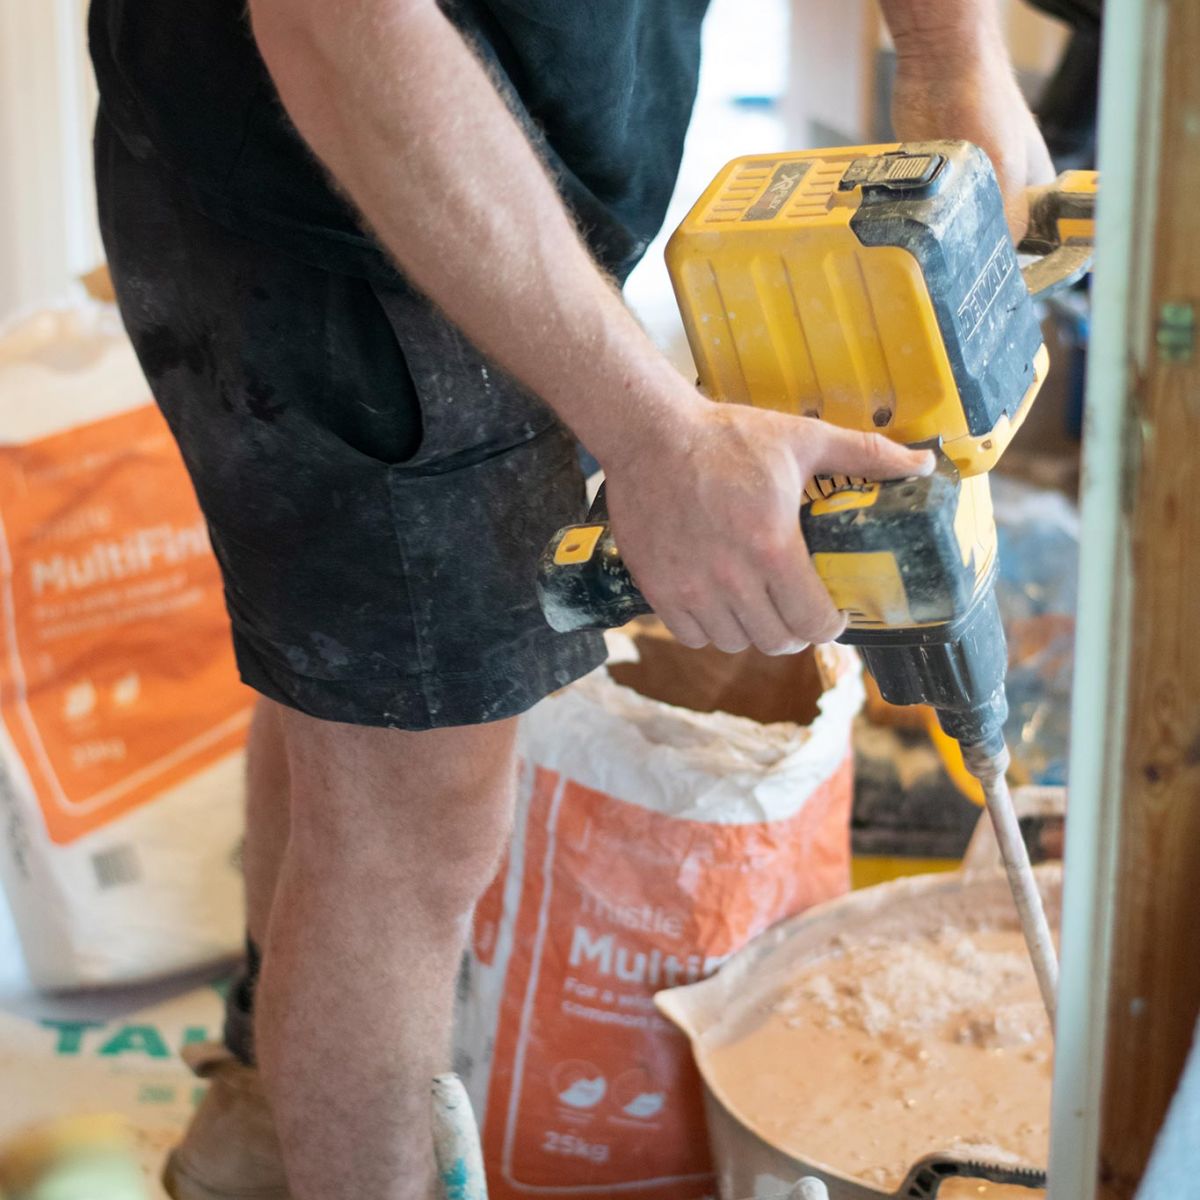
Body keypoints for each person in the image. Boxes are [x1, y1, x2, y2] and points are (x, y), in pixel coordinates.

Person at [87, 2, 1054, 1197]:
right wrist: (654, 435)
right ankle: (311, 1144)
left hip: (485, 147)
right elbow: (342, 27)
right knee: (411, 829)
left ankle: (263, 1122)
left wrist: (952, 51)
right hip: (345, 215)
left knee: (361, 713)